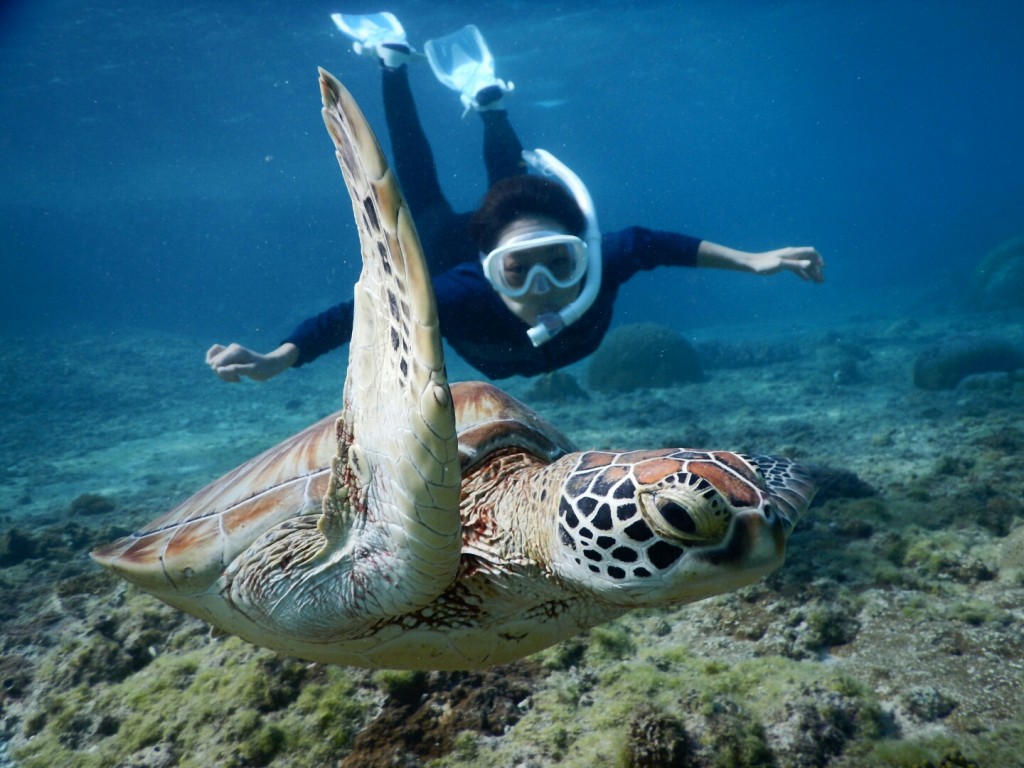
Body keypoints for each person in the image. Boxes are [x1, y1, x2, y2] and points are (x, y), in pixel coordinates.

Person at [207, 13, 824, 383]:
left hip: (486, 244)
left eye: (558, 262)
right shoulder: (457, 294)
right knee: (416, 191)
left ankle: (485, 101)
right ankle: (401, 66)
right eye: (517, 271)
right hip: (454, 247)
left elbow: (654, 244)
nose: (543, 288)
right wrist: (280, 357)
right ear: (489, 269)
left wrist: (753, 260)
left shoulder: (604, 260)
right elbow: (356, 316)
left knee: (498, 179)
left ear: (581, 251)